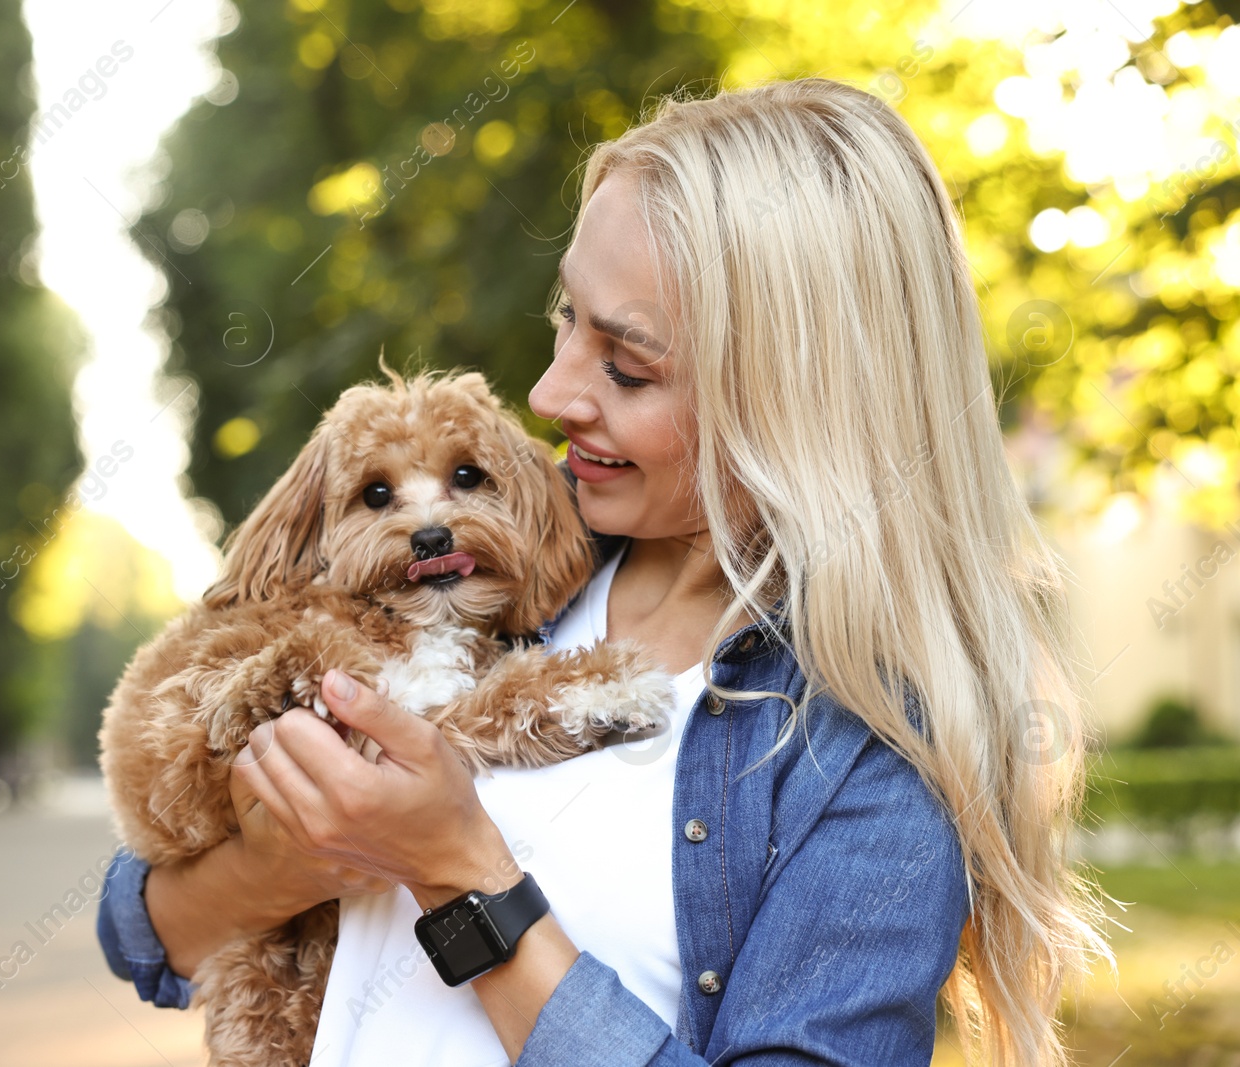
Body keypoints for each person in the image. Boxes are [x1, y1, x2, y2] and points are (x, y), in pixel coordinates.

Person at [97, 77, 1110, 1066]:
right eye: (564, 320)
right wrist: (278, 863)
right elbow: (141, 928)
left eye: (626, 365)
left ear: (793, 400)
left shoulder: (872, 743)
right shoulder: (514, 578)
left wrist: (458, 872)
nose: (550, 391)